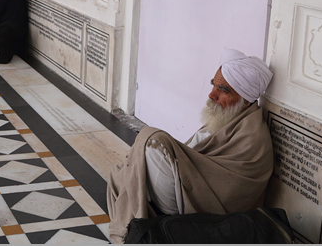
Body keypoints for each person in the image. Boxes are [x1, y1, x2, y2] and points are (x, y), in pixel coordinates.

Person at [106, 49, 274, 243]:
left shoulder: (253, 137)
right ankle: (142, 192)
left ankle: (144, 204)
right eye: (214, 85)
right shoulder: (227, 120)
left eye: (224, 90)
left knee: (151, 140)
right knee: (137, 159)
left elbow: (232, 191)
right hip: (188, 188)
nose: (212, 94)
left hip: (208, 208)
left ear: (245, 101)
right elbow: (194, 155)